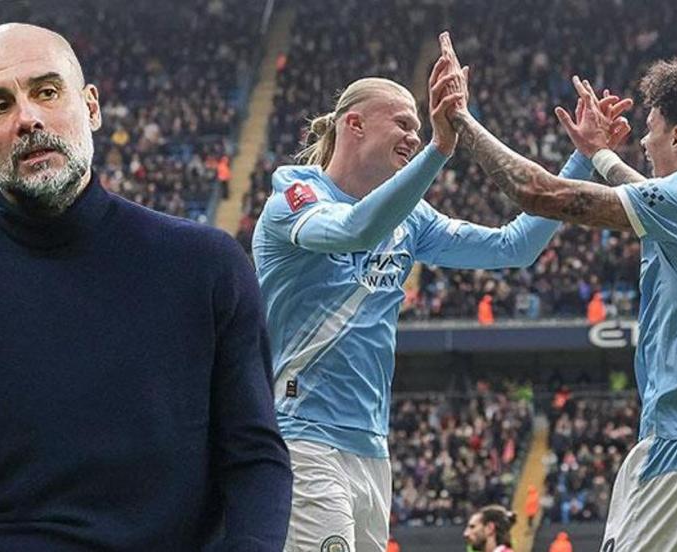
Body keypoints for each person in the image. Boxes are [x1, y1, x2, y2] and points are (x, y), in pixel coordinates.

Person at [252, 33, 614, 552]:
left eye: (419, 129)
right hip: (304, 437)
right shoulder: (294, 196)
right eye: (403, 123)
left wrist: (583, 158)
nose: (413, 134)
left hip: (372, 449)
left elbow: (515, 246)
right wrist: (439, 149)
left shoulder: (412, 219)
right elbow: (354, 229)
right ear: (354, 124)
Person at [442, 35, 677, 552]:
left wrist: (462, 119)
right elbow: (656, 199)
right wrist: (598, 154)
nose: (643, 143)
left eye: (651, 130)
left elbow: (537, 192)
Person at [0, 23, 292, 551]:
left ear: (92, 107)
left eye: (46, 91)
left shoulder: (206, 266)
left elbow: (255, 460)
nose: (27, 118)